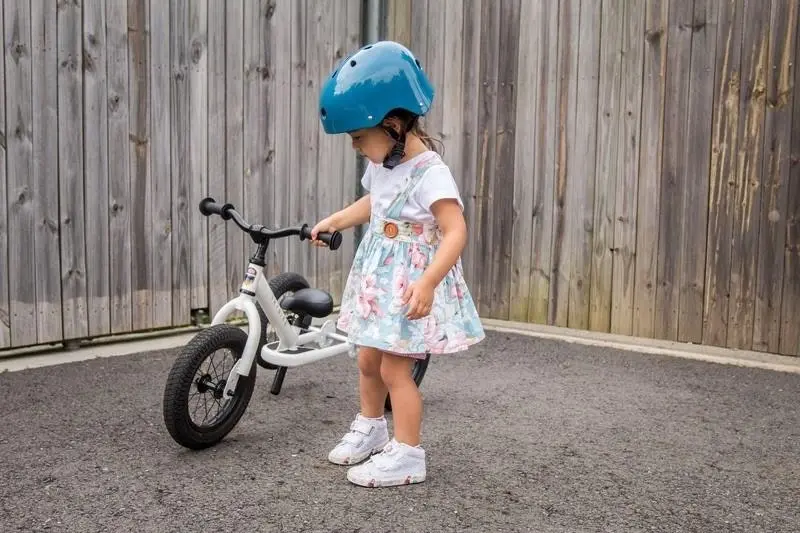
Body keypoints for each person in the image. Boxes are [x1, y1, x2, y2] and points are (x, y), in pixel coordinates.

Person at [309, 40, 485, 488]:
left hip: (409, 282)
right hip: (378, 278)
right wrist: (339, 219)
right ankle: (372, 427)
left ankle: (408, 453)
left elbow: (456, 230)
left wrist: (427, 283)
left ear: (391, 124)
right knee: (368, 359)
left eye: (357, 138)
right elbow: (376, 202)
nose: (355, 147)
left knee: (394, 369)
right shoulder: (386, 164)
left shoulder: (430, 173)